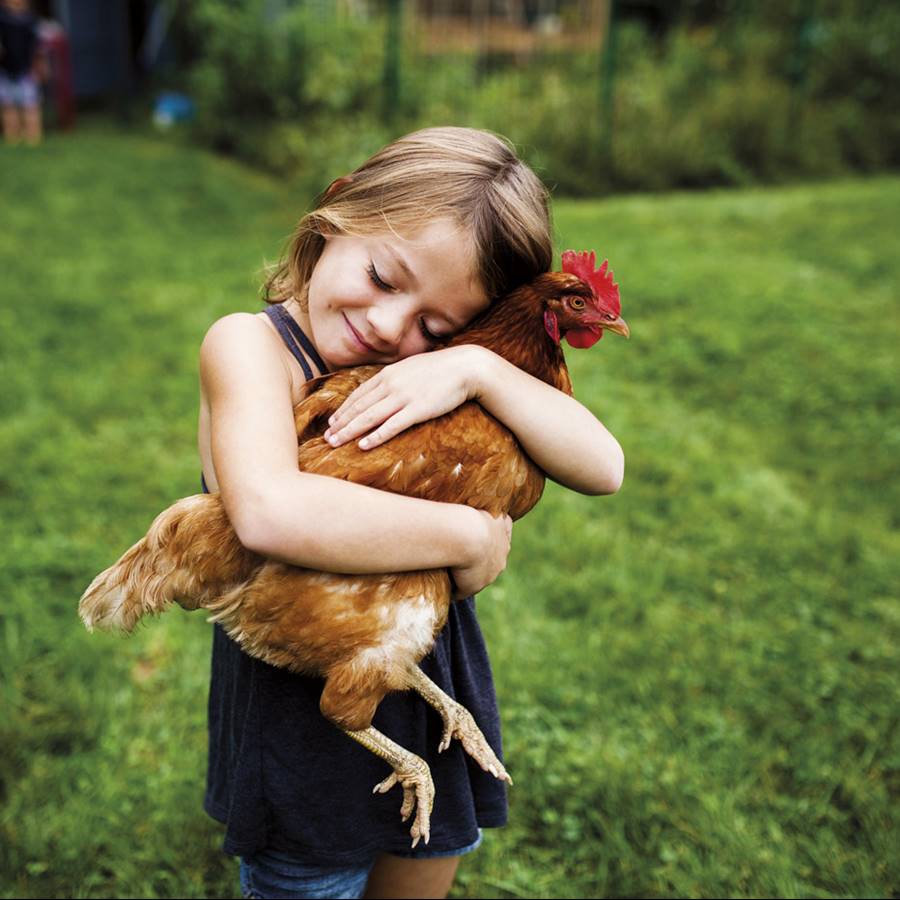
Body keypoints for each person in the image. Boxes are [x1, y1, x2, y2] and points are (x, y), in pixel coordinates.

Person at [198, 126, 624, 900]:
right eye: (384, 277)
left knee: (423, 868)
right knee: (313, 880)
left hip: (428, 684)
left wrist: (474, 365)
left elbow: (605, 466)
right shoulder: (251, 350)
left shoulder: (443, 371)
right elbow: (266, 511)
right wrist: (468, 535)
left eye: (436, 324)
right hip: (304, 717)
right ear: (336, 213)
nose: (396, 330)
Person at [0, 0, 42, 145]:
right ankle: (12, 136)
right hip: (5, 69)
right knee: (8, 105)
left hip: (26, 70)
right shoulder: (2, 19)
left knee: (30, 105)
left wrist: (38, 67)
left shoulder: (30, 20)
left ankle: (33, 136)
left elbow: (37, 48)